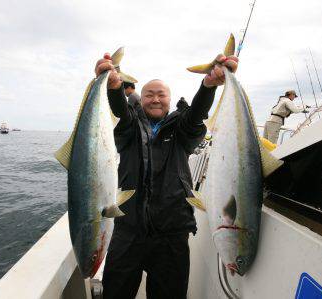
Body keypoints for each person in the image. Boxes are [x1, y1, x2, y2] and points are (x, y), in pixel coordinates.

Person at [94, 52, 238, 299]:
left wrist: (208, 85)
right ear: (142, 99)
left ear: (169, 100)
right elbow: (120, 109)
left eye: (161, 95)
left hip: (172, 233)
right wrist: (114, 88)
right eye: (149, 94)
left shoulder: (182, 130)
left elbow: (196, 116)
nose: (155, 99)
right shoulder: (129, 127)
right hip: (128, 231)